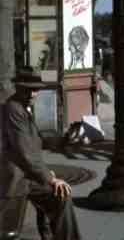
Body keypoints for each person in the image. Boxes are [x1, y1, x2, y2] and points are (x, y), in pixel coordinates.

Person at [0, 67, 81, 240]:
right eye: (27, 89)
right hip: (17, 179)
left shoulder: (22, 107)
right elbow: (24, 152)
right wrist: (50, 178)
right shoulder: (13, 109)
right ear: (17, 87)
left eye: (35, 90)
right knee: (60, 195)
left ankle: (49, 234)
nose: (31, 94)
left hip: (26, 174)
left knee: (54, 193)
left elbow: (35, 143)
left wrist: (64, 139)